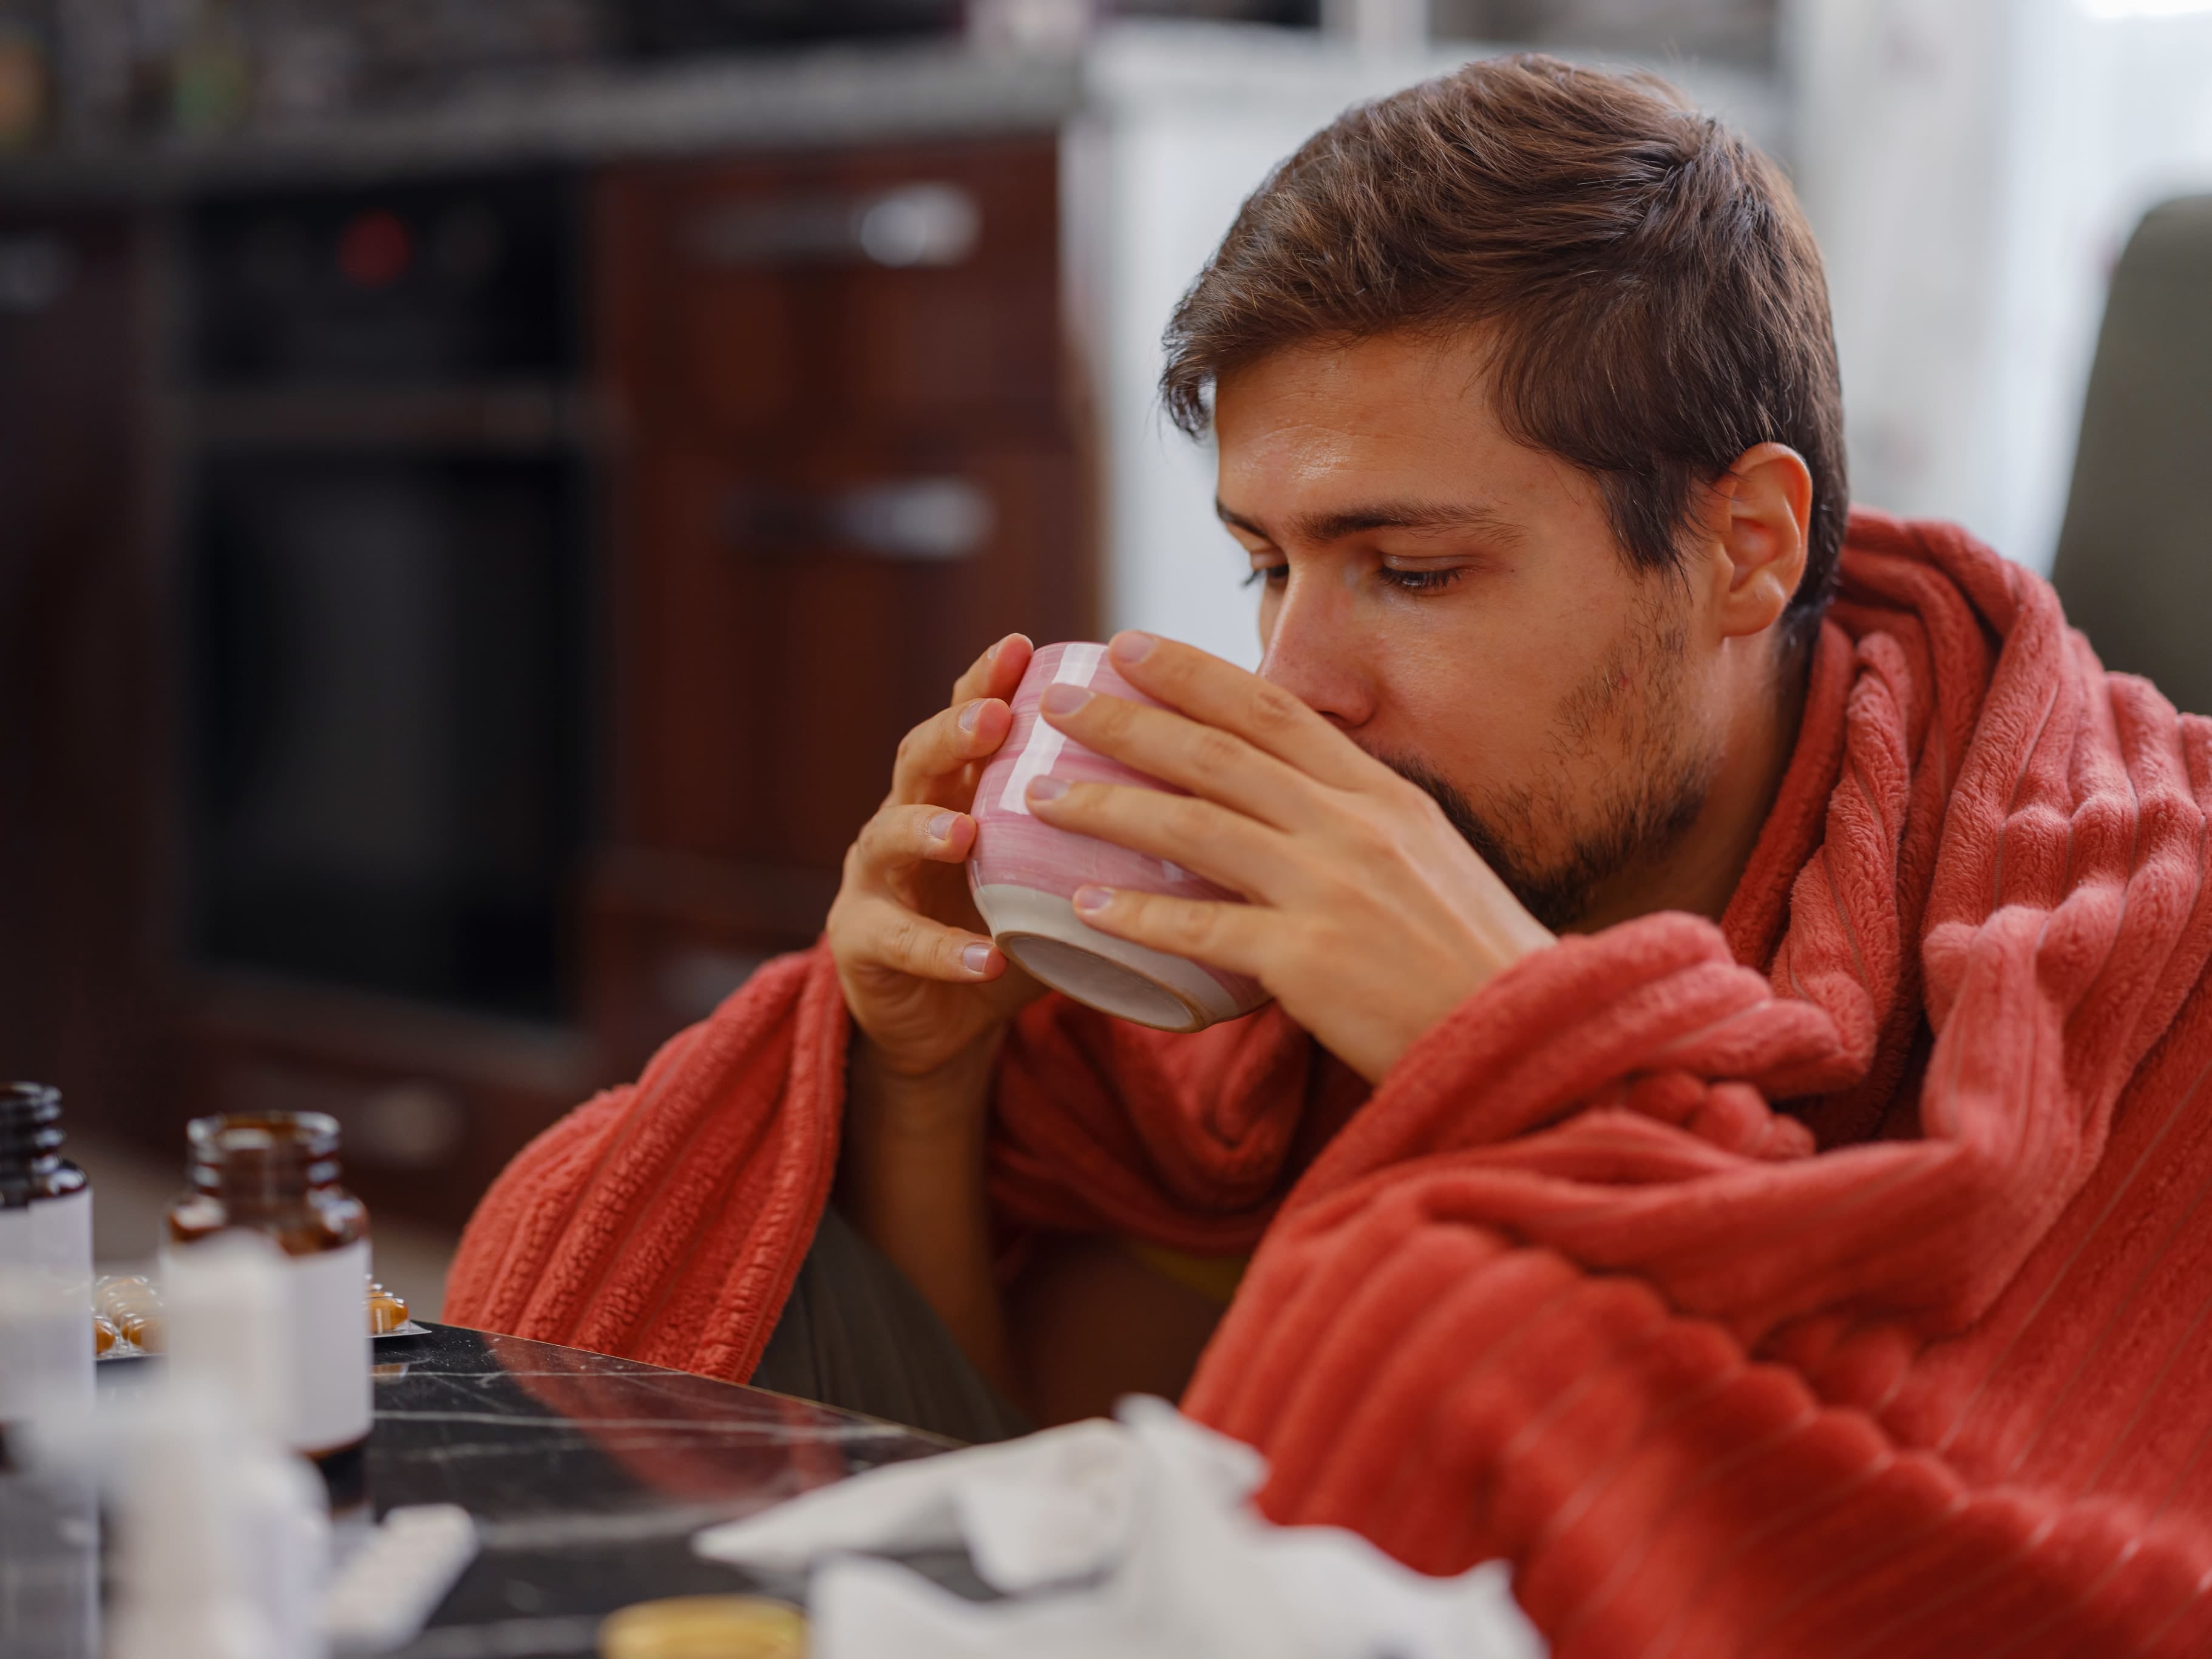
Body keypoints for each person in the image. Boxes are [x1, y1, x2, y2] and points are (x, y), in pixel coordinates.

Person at [447, 55, 2212, 1654]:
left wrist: (1521, 1045)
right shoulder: (1245, 1007)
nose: (1301, 684)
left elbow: (2000, 1549)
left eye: (1414, 572)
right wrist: (919, 1082)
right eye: (1265, 566)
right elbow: (1048, 1477)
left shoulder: (2113, 924)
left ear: (1743, 548)